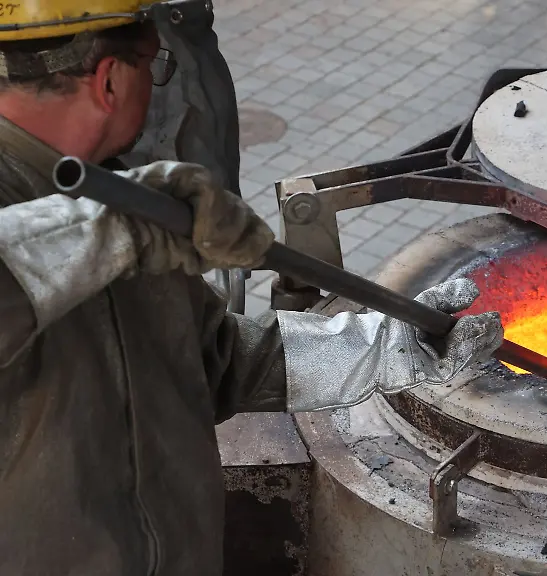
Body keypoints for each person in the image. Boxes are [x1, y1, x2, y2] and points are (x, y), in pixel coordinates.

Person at [0, 3, 504, 575]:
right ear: (111, 80)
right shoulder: (108, 218)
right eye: (154, 64)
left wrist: (379, 346)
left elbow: (211, 362)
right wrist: (120, 228)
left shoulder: (109, 192)